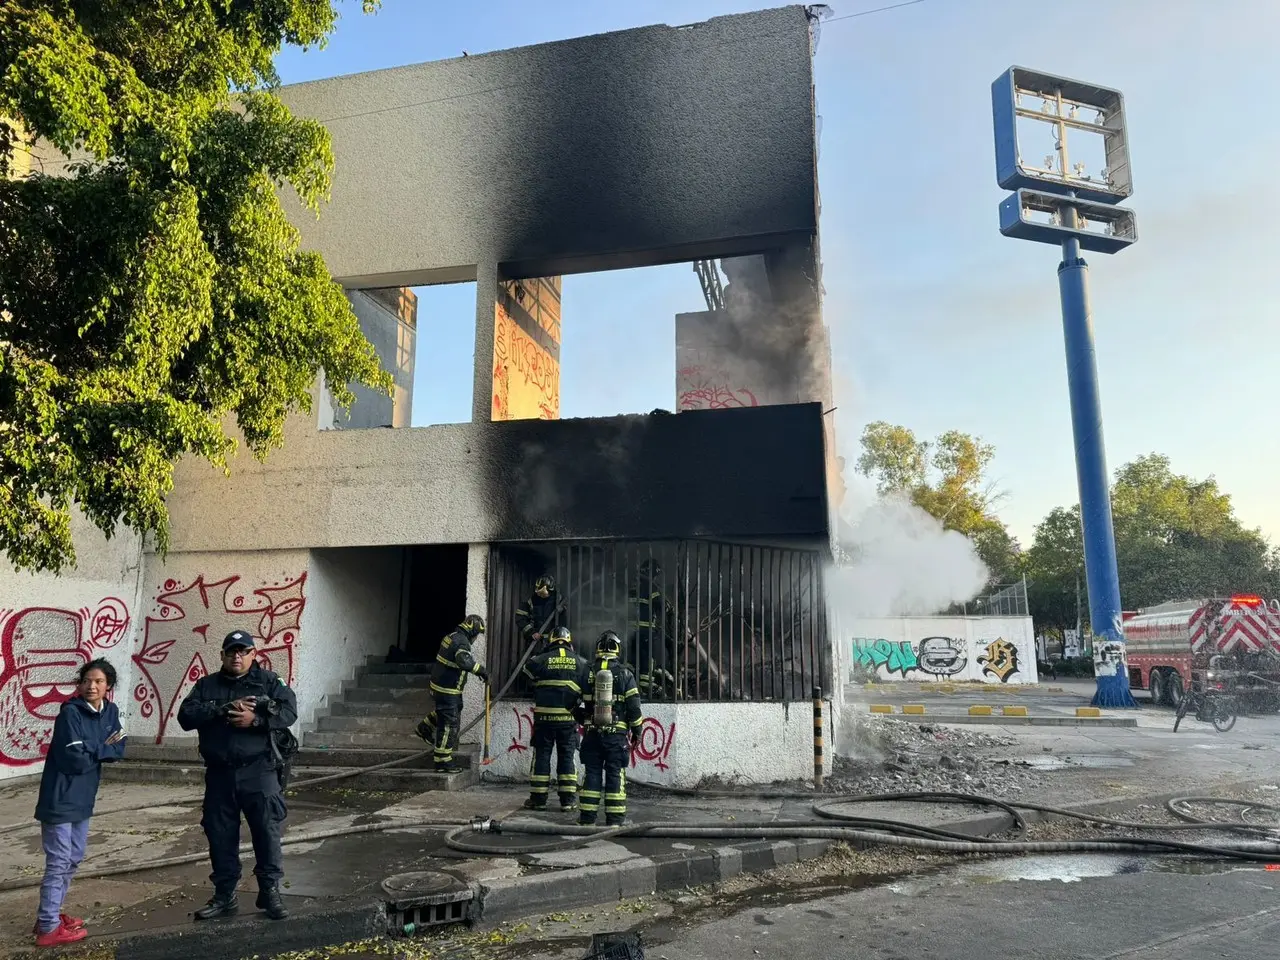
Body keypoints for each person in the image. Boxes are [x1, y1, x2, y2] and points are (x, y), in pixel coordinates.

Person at [177, 629, 298, 923]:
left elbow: (289, 711)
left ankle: (269, 891)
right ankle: (225, 895)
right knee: (220, 835)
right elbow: (185, 717)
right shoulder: (206, 685)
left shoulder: (268, 682)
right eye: (232, 651)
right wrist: (220, 710)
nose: (237, 656)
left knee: (267, 833)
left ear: (253, 654)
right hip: (220, 774)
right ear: (222, 655)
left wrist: (255, 720)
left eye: (243, 651)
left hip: (259, 771)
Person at [32, 659, 126, 948]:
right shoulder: (70, 714)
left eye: (98, 681)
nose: (91, 686)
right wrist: (101, 748)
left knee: (73, 858)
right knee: (59, 861)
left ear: (108, 686)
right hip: (59, 797)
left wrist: (92, 748)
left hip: (84, 798)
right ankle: (48, 928)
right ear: (80, 683)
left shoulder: (109, 711)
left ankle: (50, 914)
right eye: (86, 680)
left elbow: (119, 746)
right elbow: (73, 758)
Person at [577, 630, 643, 827]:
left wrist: (582, 717)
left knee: (592, 774)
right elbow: (634, 707)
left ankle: (587, 819)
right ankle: (614, 820)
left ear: (597, 648)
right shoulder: (625, 674)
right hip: (616, 738)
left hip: (592, 734)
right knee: (615, 774)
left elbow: (570, 700)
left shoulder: (587, 671)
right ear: (618, 650)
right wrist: (637, 731)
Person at [522, 625, 589, 811]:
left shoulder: (540, 659)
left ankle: (538, 800)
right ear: (570, 643)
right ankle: (568, 801)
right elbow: (588, 687)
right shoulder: (581, 662)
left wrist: (537, 684)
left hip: (544, 719)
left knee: (542, 755)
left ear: (551, 641)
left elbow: (525, 674)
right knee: (566, 756)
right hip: (567, 720)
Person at [428, 615, 488, 773]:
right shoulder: (462, 642)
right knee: (449, 723)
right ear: (471, 630)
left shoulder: (452, 636)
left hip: (441, 686)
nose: (476, 638)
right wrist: (482, 671)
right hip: (447, 688)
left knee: (451, 710)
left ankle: (426, 726)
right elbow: (464, 662)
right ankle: (443, 761)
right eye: (476, 634)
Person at [516, 575, 561, 645]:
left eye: (544, 594)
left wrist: (562, 609)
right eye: (539, 593)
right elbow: (520, 618)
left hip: (554, 642)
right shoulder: (531, 601)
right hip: (536, 642)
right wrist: (531, 632)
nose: (541, 596)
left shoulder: (559, 601)